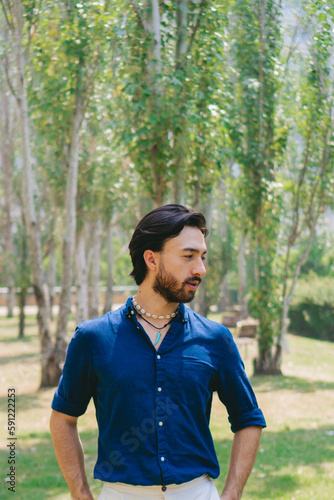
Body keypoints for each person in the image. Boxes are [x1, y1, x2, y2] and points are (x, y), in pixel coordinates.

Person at [50, 204, 266, 500]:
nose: (200, 268)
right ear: (151, 259)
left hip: (197, 493)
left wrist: (231, 495)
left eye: (202, 257)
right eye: (188, 256)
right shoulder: (93, 338)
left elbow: (248, 418)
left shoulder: (216, 339)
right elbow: (63, 418)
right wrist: (80, 494)